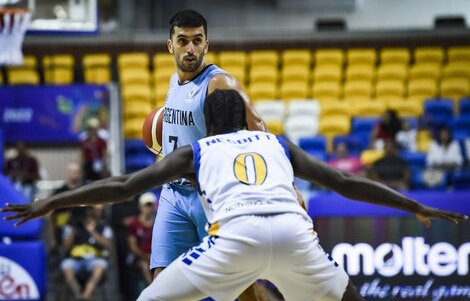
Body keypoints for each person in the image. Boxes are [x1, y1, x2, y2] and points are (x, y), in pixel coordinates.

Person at [2, 89, 468, 301]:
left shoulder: (198, 149)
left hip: (235, 238)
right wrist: (415, 205)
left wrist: (51, 202)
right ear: (245, 120)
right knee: (347, 297)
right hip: (293, 234)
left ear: (206, 123)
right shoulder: (277, 142)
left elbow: (123, 186)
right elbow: (345, 183)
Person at [151, 9, 267, 300]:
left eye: (196, 40)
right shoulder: (173, 82)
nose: (189, 48)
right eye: (182, 41)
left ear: (206, 44)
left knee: (239, 286)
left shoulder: (219, 83)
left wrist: (284, 182)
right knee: (161, 283)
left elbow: (259, 128)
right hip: (173, 194)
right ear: (170, 45)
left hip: (210, 196)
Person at [59, 205, 113, 301]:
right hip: (75, 260)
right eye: (92, 210)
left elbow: (108, 245)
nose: (93, 213)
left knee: (100, 266)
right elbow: (65, 247)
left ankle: (85, 296)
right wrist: (73, 228)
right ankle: (78, 294)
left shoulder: (104, 227)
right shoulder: (73, 227)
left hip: (94, 260)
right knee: (66, 265)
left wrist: (92, 231)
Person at [127, 192, 158, 289]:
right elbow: (132, 246)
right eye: (146, 206)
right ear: (140, 207)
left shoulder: (159, 223)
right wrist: (145, 256)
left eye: (150, 206)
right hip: (140, 257)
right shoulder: (134, 224)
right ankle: (152, 289)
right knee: (144, 265)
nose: (148, 209)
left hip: (156, 256)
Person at [80, 117, 107, 181]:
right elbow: (81, 154)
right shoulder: (84, 141)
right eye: (90, 129)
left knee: (99, 179)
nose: (92, 131)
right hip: (88, 164)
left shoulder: (102, 141)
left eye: (94, 128)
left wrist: (104, 164)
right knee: (87, 180)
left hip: (98, 163)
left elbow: (104, 154)